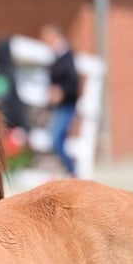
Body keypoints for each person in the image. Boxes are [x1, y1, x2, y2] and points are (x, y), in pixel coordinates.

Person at [39, 23, 79, 177]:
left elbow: (72, 81)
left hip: (67, 104)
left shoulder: (66, 55)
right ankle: (67, 170)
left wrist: (61, 91)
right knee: (58, 138)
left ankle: (72, 171)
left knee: (56, 138)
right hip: (60, 106)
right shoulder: (57, 55)